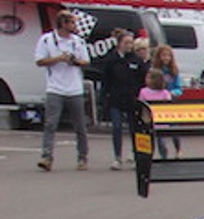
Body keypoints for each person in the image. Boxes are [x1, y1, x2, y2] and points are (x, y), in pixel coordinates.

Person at [34, 9, 91, 171]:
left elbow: (86, 61)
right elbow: (39, 61)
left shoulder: (78, 41)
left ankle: (82, 157)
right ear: (63, 24)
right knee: (50, 124)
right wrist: (59, 59)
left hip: (74, 89)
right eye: (71, 22)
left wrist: (75, 61)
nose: (74, 26)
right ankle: (46, 156)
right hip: (55, 87)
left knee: (80, 125)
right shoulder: (47, 40)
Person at [99, 32, 148, 171]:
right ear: (119, 43)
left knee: (135, 128)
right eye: (126, 42)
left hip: (133, 100)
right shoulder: (112, 60)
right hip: (116, 99)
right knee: (117, 127)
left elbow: (143, 79)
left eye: (131, 43)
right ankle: (117, 157)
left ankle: (135, 155)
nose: (129, 46)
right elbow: (106, 80)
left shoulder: (136, 60)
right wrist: (103, 98)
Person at [141, 65, 182, 159]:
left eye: (148, 77)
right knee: (153, 139)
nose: (146, 79)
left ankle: (164, 155)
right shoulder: (143, 91)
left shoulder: (164, 92)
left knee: (161, 139)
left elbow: (168, 105)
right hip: (150, 119)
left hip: (162, 119)